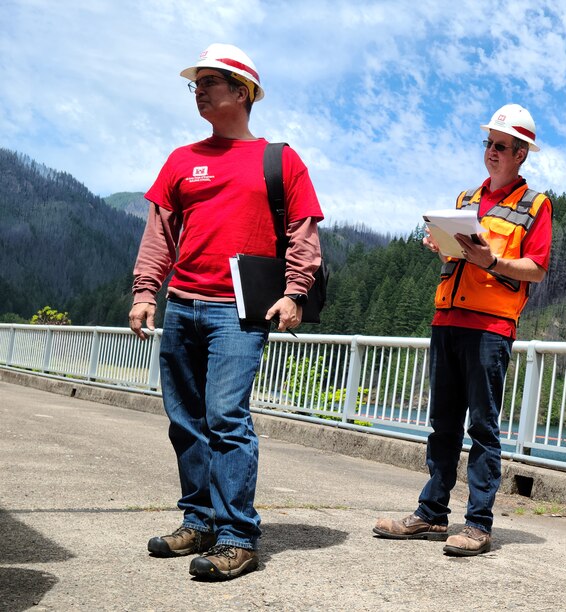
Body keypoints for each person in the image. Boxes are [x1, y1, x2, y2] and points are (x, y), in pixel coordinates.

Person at [128, 43, 324, 581]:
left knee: (226, 419)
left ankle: (238, 536)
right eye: (195, 84)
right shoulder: (180, 159)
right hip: (183, 305)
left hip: (238, 313)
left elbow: (303, 234)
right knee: (185, 421)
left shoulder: (279, 159)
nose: (199, 91)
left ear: (242, 92)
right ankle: (199, 519)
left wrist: (296, 291)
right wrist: (147, 292)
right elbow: (159, 233)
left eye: (210, 82)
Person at [373, 104, 553, 557]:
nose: (491, 151)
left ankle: (478, 524)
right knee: (443, 425)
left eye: (501, 146)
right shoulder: (465, 199)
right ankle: (432, 513)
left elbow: (537, 269)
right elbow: (458, 259)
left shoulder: (535, 204)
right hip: (448, 320)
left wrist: (491, 260)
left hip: (491, 326)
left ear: (521, 154)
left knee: (484, 427)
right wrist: (442, 247)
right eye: (488, 143)